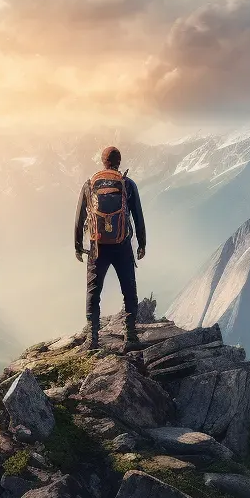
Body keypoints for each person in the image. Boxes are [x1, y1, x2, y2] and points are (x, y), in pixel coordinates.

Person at [74, 145, 146, 351]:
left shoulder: (89, 185)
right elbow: (138, 216)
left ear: (103, 162)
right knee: (129, 289)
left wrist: (78, 246)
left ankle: (93, 337)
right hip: (122, 245)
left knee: (94, 291)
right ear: (119, 162)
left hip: (97, 247)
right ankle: (130, 336)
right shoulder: (127, 184)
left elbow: (79, 218)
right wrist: (142, 244)